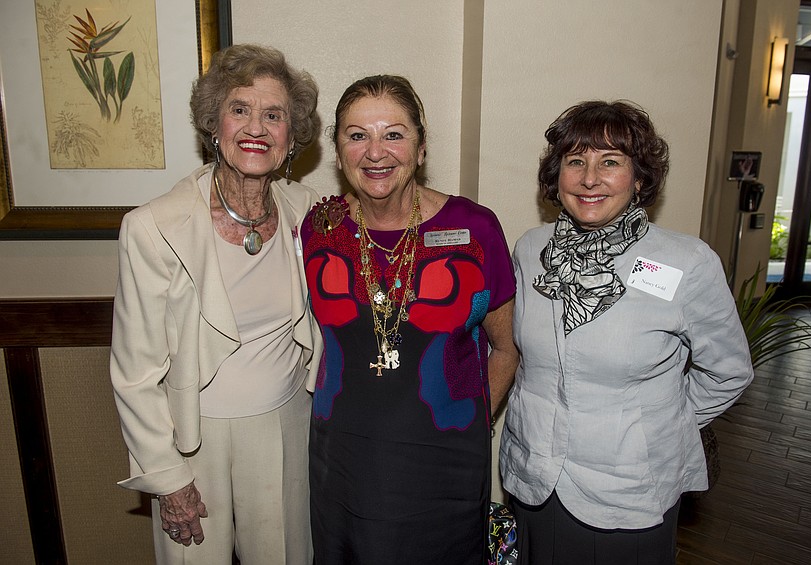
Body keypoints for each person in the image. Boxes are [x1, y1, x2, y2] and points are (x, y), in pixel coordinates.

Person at [500, 100, 754, 564]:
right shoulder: (532, 250)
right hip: (534, 474)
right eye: (576, 161)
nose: (590, 179)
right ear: (557, 175)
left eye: (610, 162)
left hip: (628, 488)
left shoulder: (687, 262)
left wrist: (658, 425)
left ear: (639, 178)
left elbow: (729, 371)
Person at [110, 44, 322, 564]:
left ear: (291, 137)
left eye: (274, 115)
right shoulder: (153, 227)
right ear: (213, 125)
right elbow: (135, 373)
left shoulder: (308, 211)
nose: (256, 128)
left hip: (287, 426)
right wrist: (167, 478)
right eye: (239, 109)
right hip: (192, 440)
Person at [301, 75, 519, 564]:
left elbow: (507, 346)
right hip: (343, 461)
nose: (375, 152)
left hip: (445, 461)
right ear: (338, 153)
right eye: (357, 135)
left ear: (420, 148)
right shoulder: (318, 229)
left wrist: (474, 423)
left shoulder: (474, 230)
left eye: (393, 134)